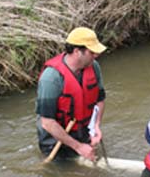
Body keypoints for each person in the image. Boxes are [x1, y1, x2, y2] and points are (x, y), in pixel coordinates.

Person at [35, 27, 107, 162]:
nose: (96, 55)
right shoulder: (50, 78)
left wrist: (96, 125)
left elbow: (100, 99)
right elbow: (47, 122)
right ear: (77, 52)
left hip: (82, 131)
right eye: (92, 52)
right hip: (56, 141)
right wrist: (78, 147)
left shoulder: (94, 66)